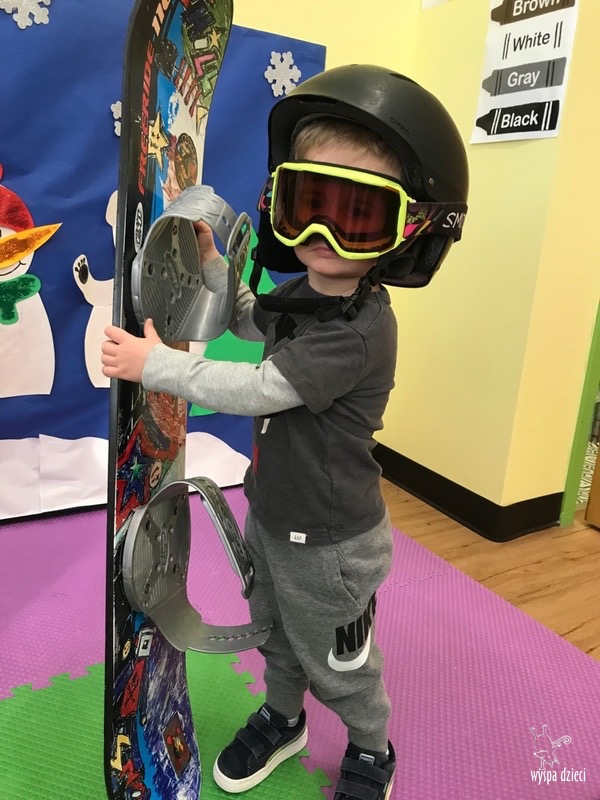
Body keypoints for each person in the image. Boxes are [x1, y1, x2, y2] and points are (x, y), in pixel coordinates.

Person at [101, 64, 468, 800]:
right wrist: (215, 271)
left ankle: (371, 748)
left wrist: (157, 366)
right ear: (281, 208)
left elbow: (261, 386)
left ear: (406, 233)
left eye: (355, 216)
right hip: (273, 513)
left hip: (333, 543)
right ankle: (283, 716)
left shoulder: (359, 331)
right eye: (310, 206)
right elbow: (253, 320)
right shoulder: (305, 293)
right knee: (272, 631)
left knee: (339, 661)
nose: (324, 234)